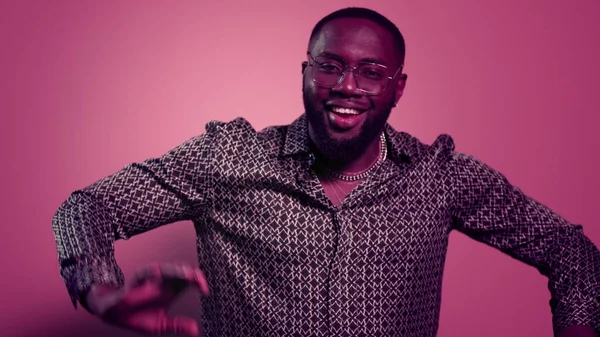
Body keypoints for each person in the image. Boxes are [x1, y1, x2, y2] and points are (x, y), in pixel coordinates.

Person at [51, 7, 600, 337]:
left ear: (397, 88)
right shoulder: (230, 158)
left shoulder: (439, 175)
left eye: (371, 71)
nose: (347, 86)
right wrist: (102, 293)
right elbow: (86, 209)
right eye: (330, 66)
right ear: (306, 72)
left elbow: (570, 251)